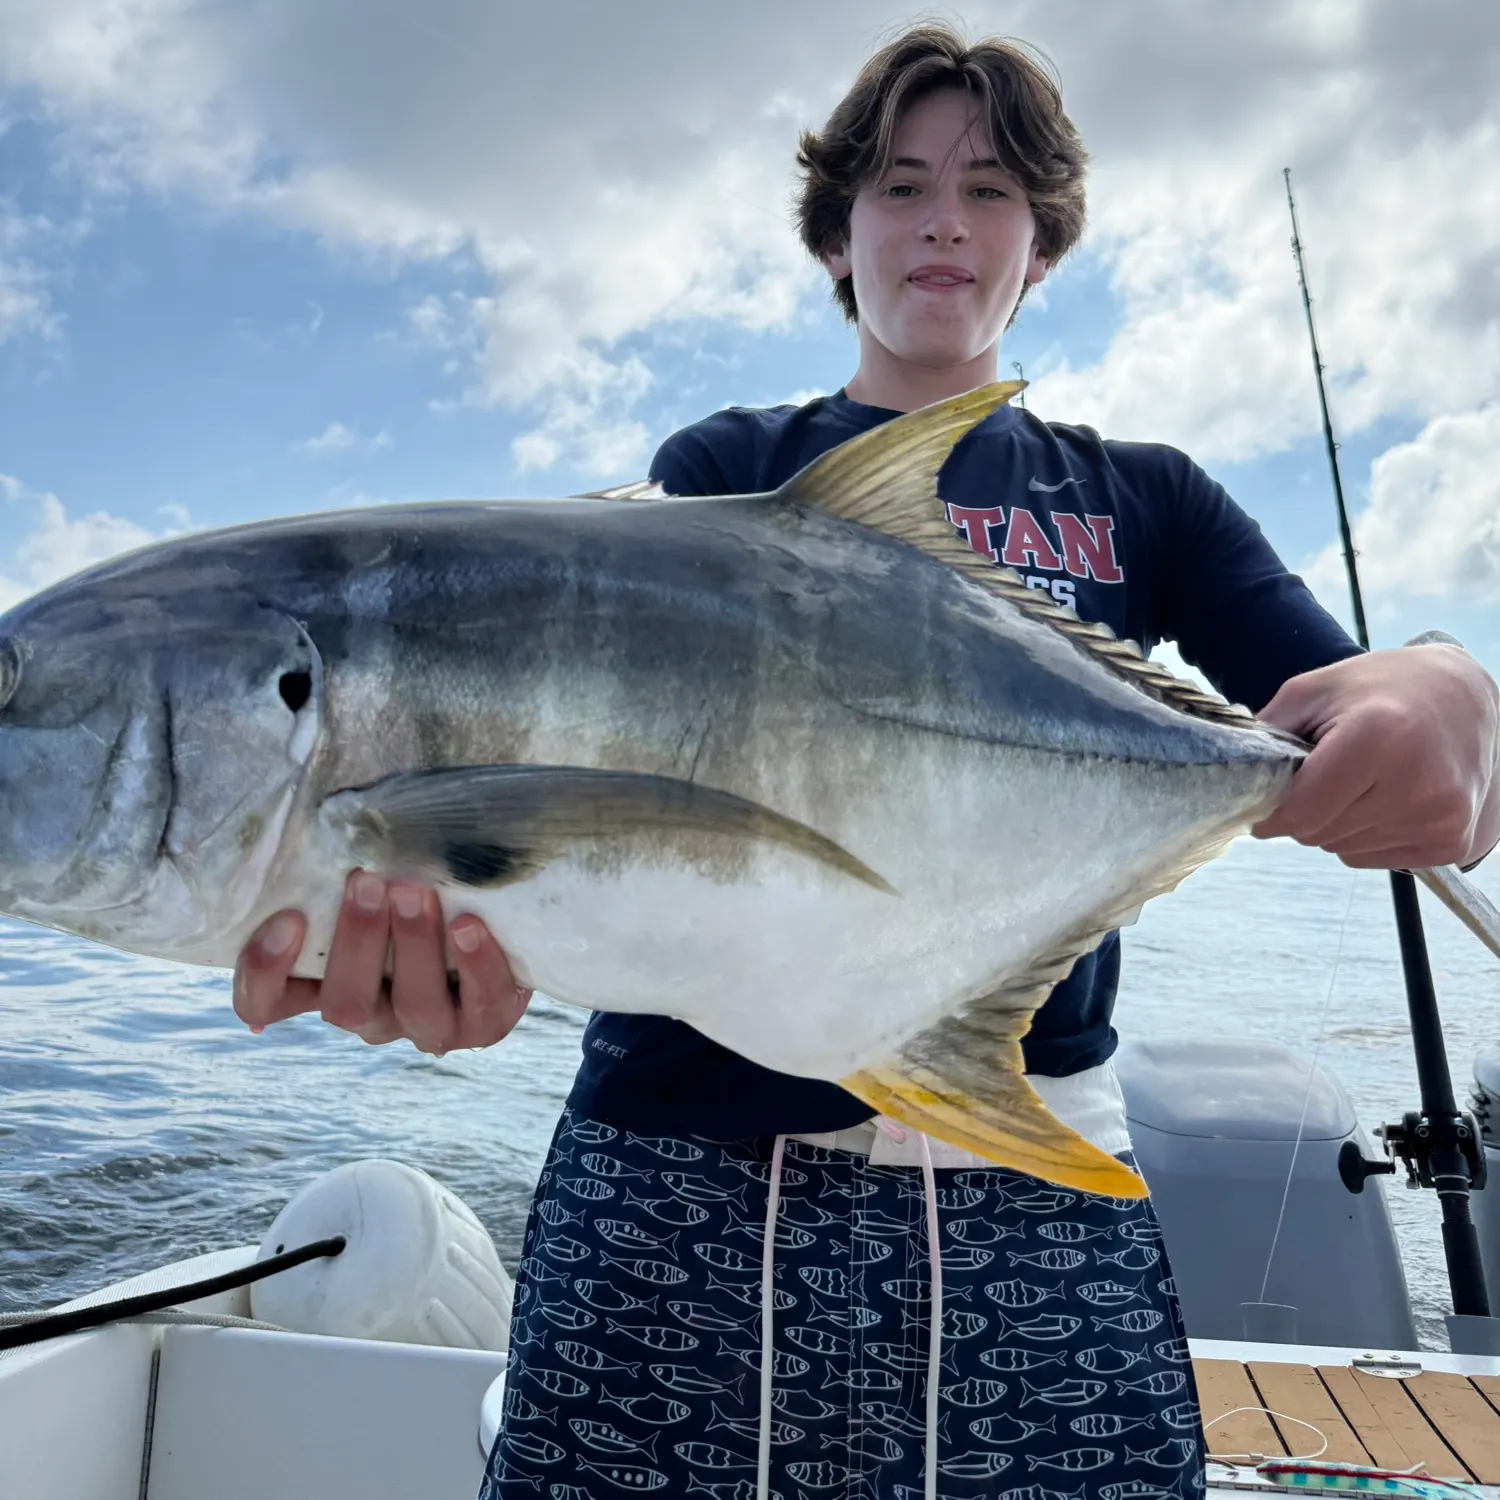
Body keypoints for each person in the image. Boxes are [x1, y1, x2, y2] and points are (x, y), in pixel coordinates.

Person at [234, 24, 1499, 1500]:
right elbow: (583, 776)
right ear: (841, 235)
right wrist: (465, 922)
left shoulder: (1143, 501)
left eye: (992, 192)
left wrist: (1448, 686)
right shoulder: (725, 470)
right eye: (900, 187)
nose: (945, 220)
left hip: (1030, 1168)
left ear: (1045, 243)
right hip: (684, 1173)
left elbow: (1338, 703)